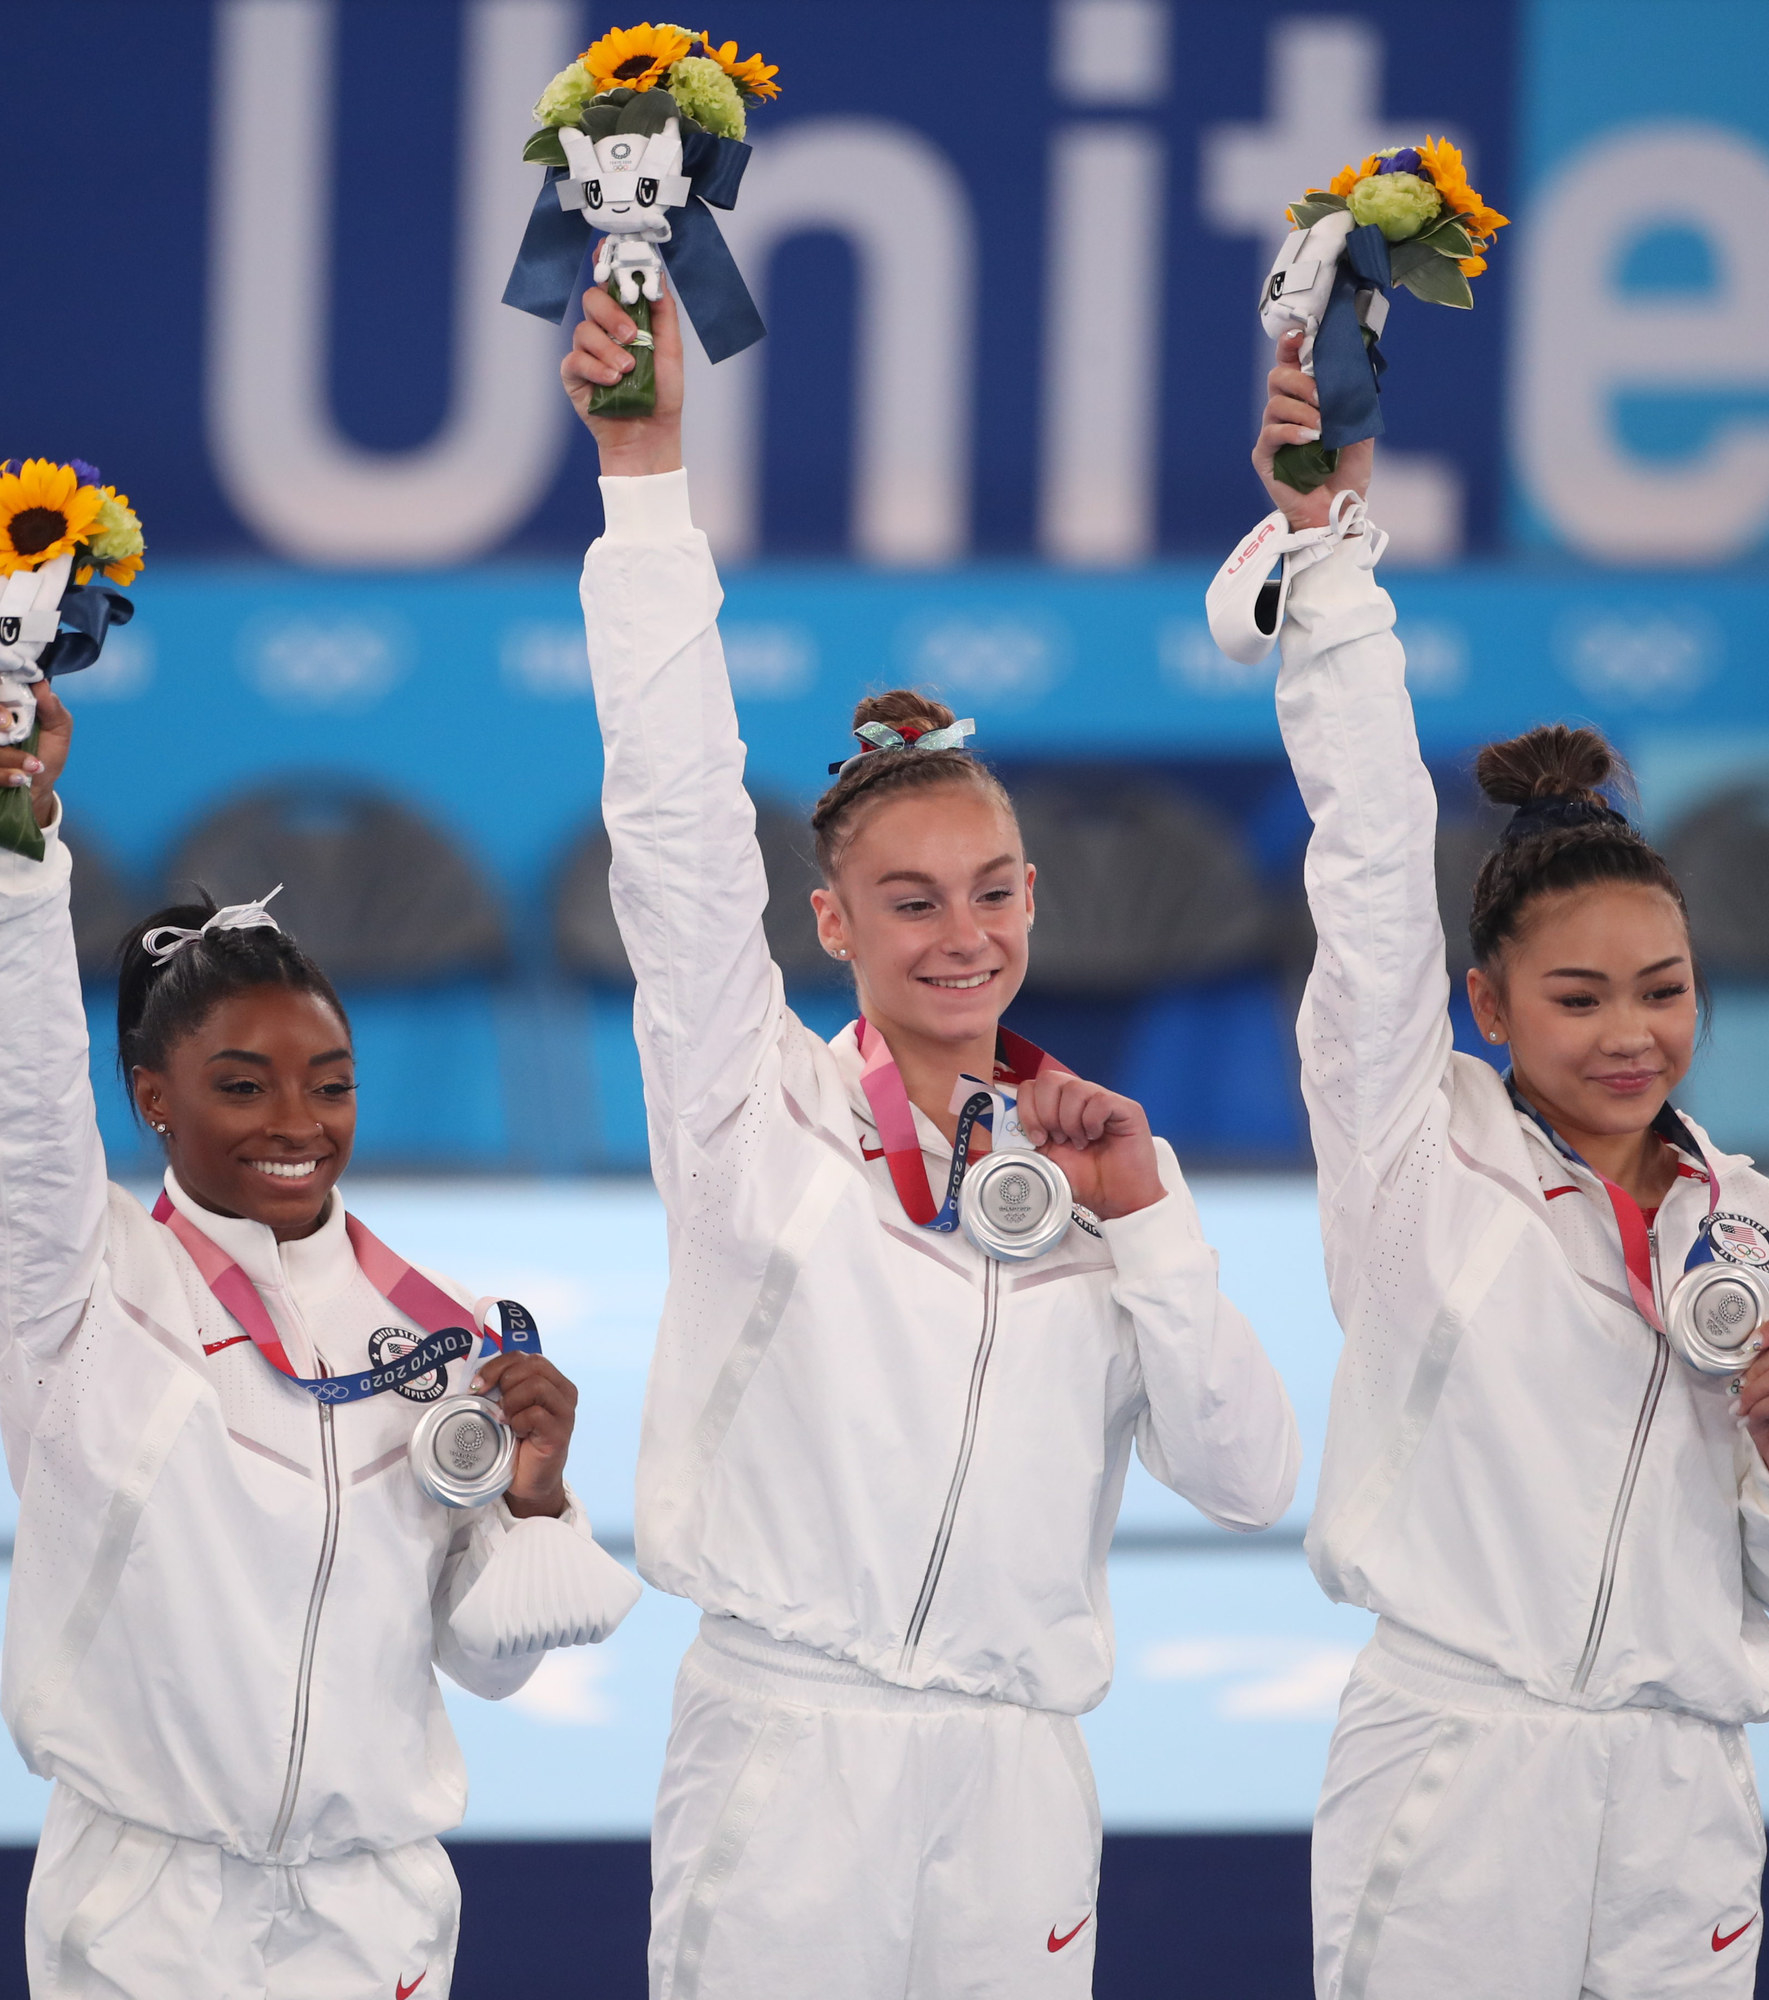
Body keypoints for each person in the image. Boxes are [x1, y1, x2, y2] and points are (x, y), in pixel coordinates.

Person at [558, 286, 1303, 1997]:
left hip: (1021, 1779)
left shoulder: (1098, 1166)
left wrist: (1155, 1226)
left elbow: (1252, 1481)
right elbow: (670, 813)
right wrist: (645, 481)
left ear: (1035, 901)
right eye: (908, 901)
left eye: (988, 893)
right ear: (832, 923)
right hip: (785, 1750)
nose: (957, 935)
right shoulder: (752, 1106)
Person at [1240, 332, 1769, 1997]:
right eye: (1580, 997)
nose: (1631, 1033)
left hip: (1684, 1804)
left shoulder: (1765, 1233)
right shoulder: (1412, 1154)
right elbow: (1371, 860)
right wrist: (1332, 558)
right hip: (1455, 1777)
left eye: (1663, 991)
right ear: (1486, 1007)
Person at [0, 670, 638, 1999]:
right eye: (240, 1086)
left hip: (376, 1907)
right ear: (151, 1096)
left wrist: (537, 1507)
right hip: (146, 1905)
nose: (295, 1124)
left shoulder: (448, 1334)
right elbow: (16, 1085)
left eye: (329, 1084)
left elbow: (486, 1666)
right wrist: (11, 838)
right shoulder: (85, 1286)